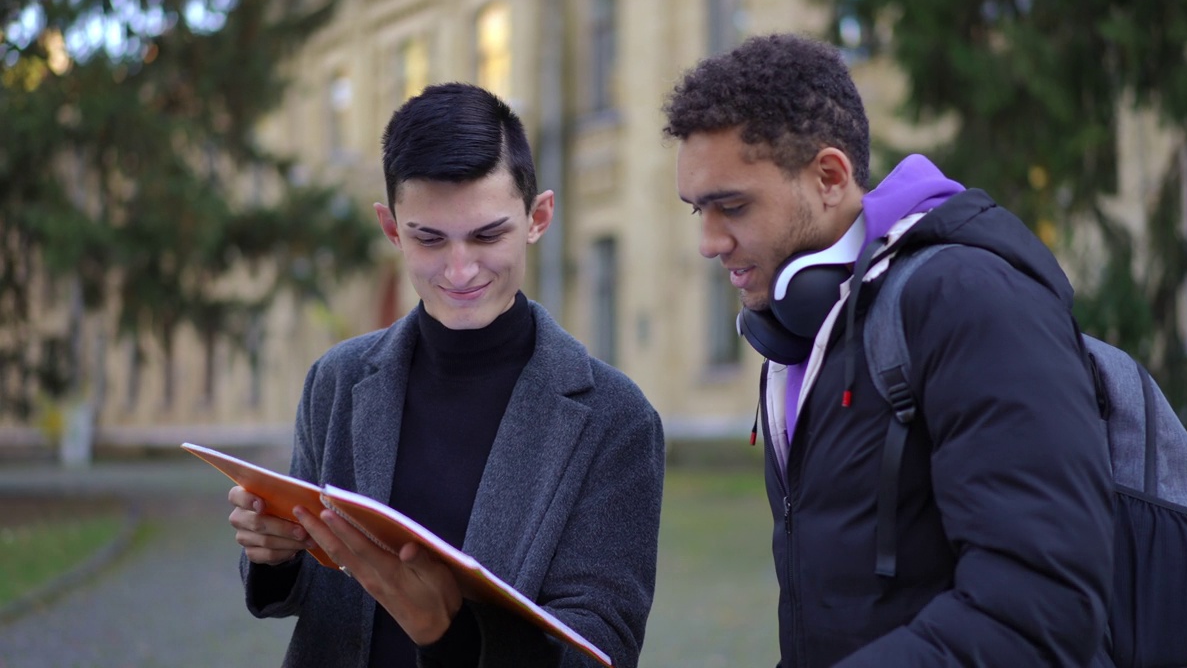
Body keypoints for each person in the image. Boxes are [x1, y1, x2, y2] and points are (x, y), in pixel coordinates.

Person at [662, 33, 1114, 666]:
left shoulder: (971, 301)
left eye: (731, 206)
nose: (710, 242)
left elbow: (1041, 609)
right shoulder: (803, 334)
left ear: (828, 176)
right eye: (697, 211)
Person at [227, 82, 665, 668]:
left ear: (538, 217)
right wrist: (273, 557)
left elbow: (603, 648)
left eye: (488, 235)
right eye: (429, 239)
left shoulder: (617, 418)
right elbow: (312, 594)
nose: (460, 271)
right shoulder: (336, 380)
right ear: (391, 228)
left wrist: (451, 635)